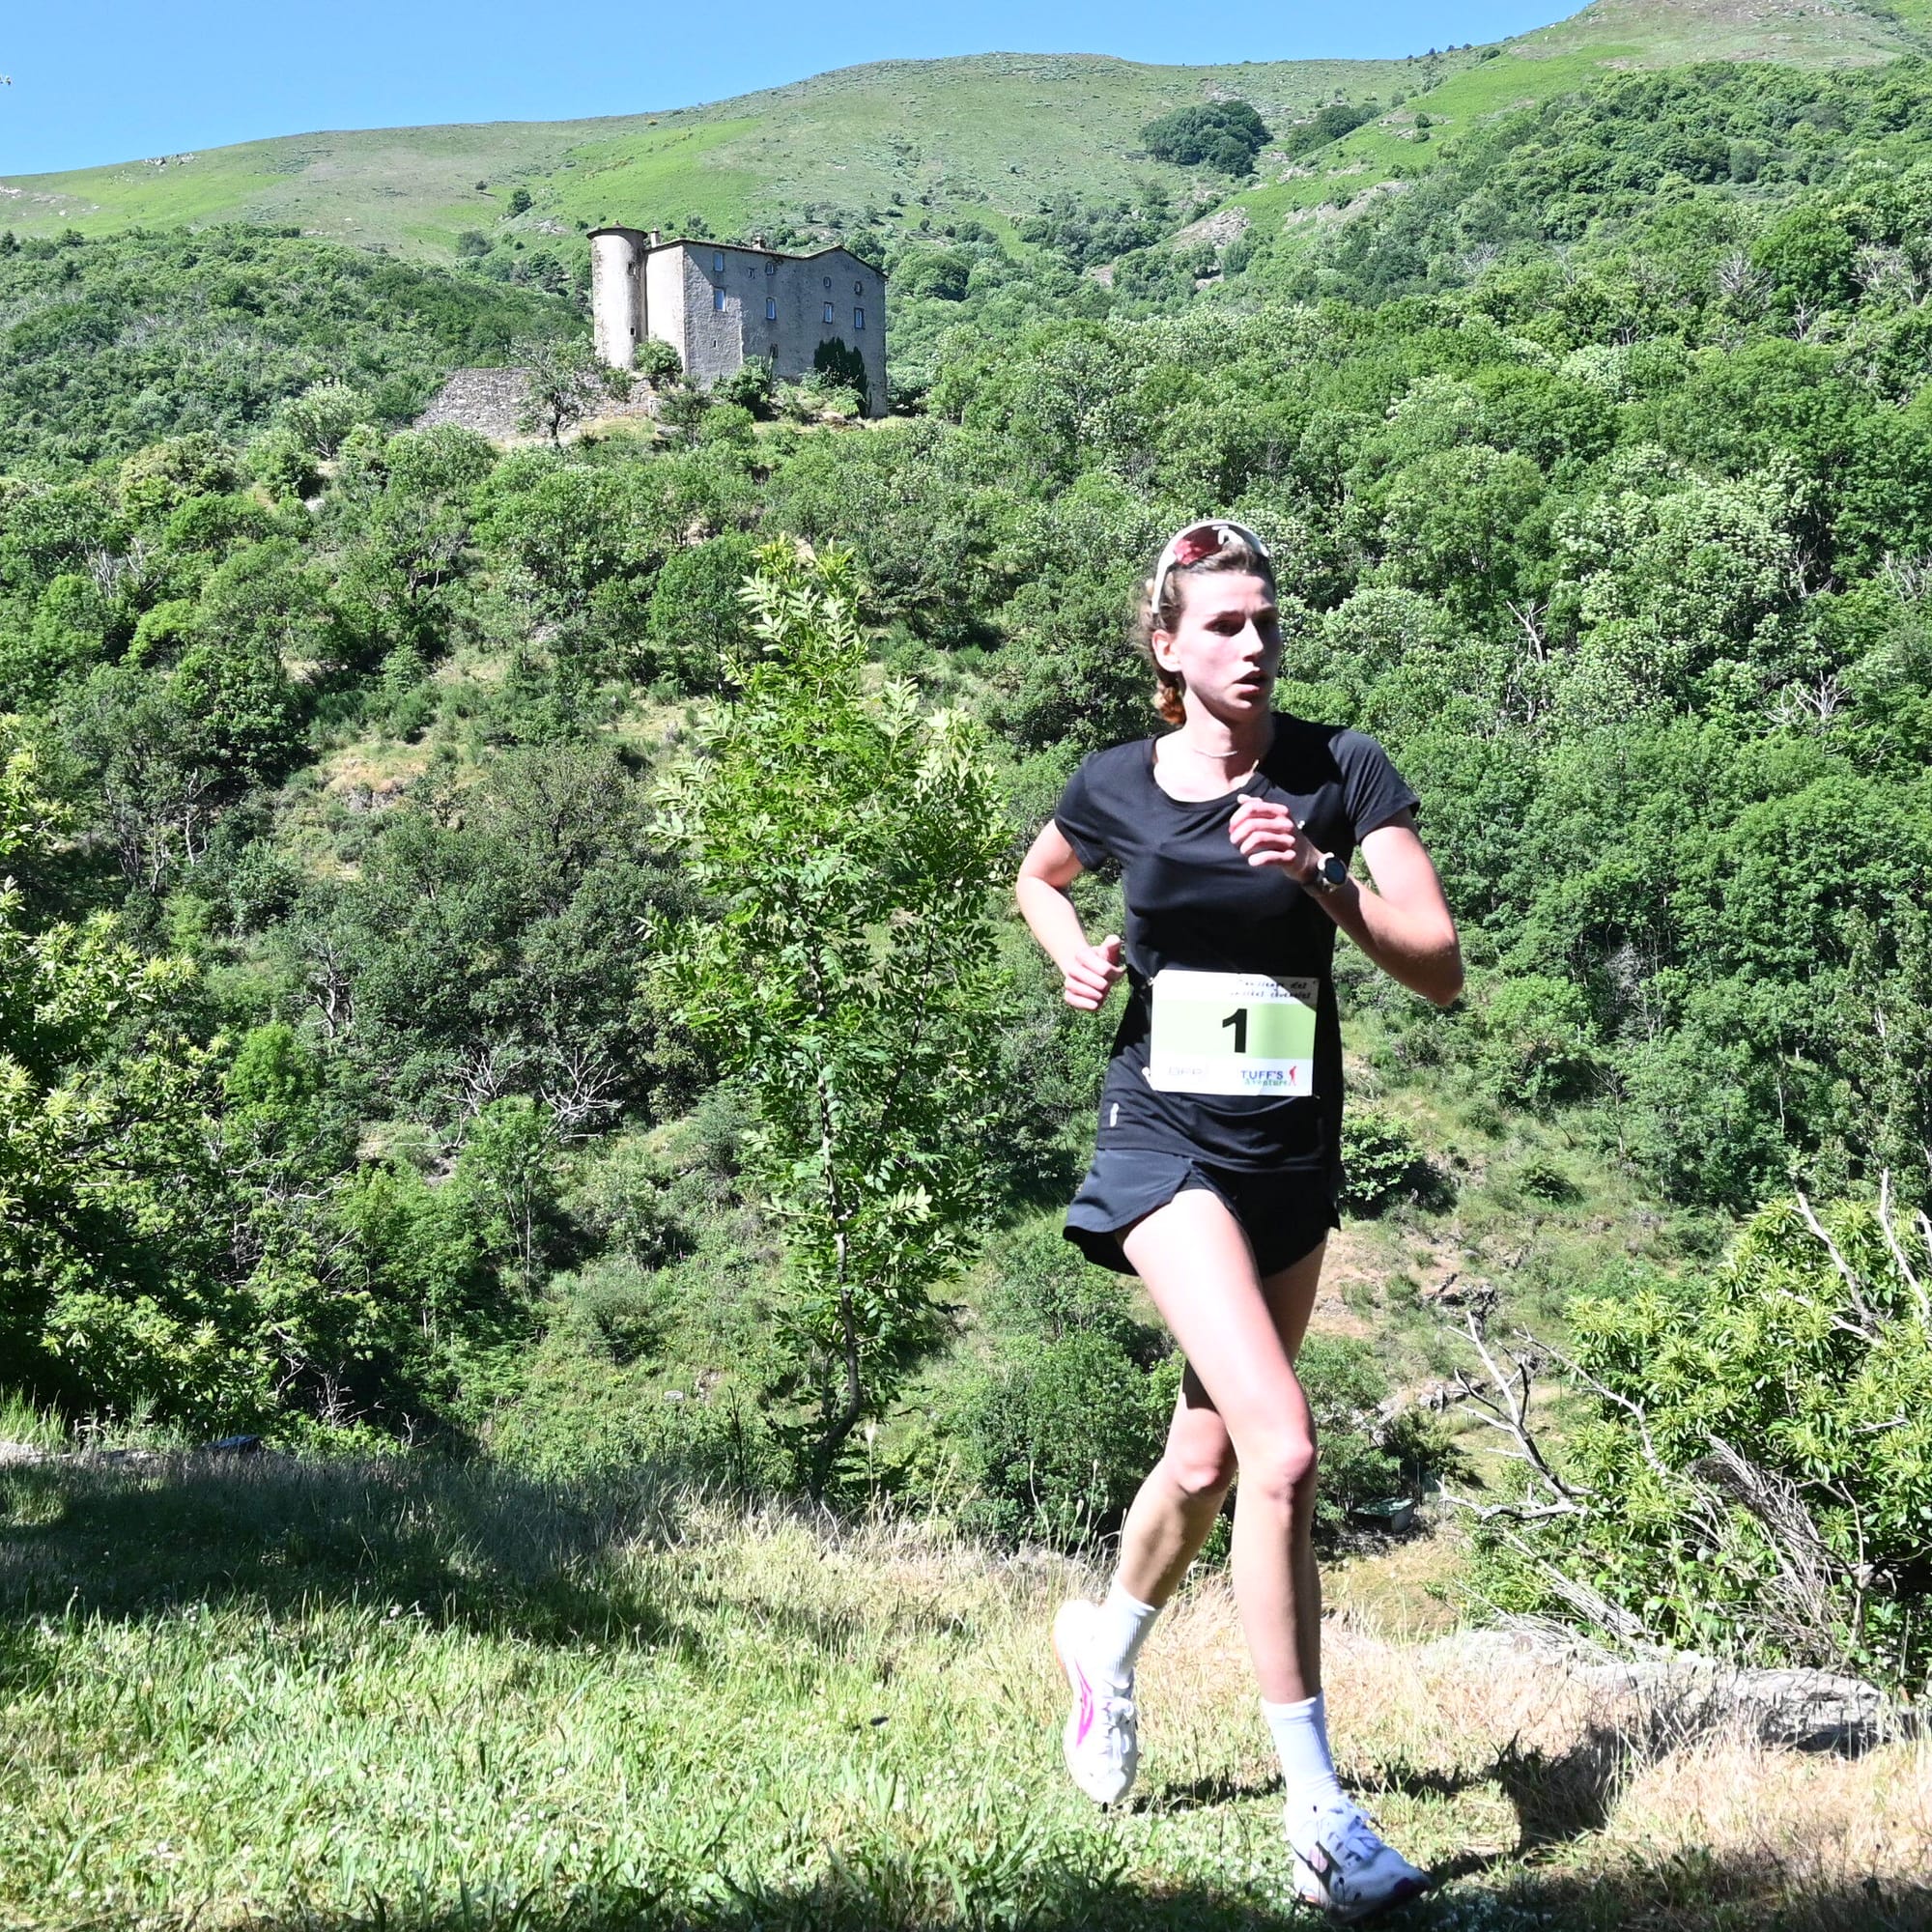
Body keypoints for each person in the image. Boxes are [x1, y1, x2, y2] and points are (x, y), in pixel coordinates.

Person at [1014, 520, 1463, 1922]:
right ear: (1166, 648)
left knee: (1207, 1460)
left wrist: (1319, 878)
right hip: (1162, 1139)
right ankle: (1321, 1819)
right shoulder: (1110, 784)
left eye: (1267, 621)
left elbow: (1441, 969)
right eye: (1222, 626)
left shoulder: (1339, 771)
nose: (1255, 644)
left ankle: (1107, 1651)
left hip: (1288, 1158)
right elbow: (1040, 876)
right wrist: (1074, 959)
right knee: (1285, 1453)